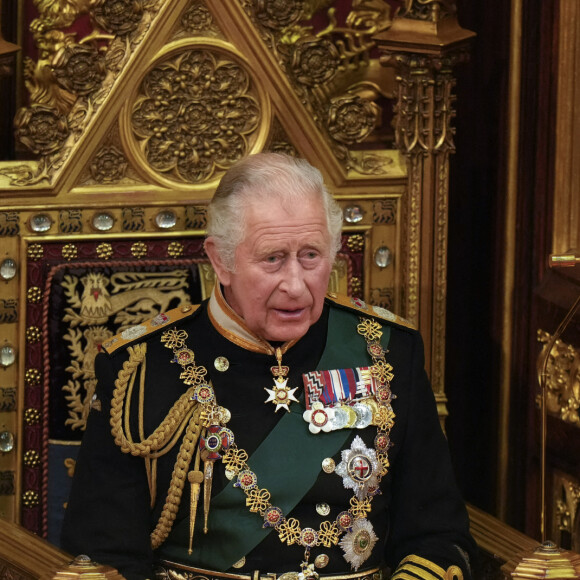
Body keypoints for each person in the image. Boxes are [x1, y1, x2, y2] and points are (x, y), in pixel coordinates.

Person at [61, 152, 476, 580]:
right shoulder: (141, 367)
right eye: (273, 258)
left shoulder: (387, 351)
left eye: (311, 256)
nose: (296, 285)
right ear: (221, 260)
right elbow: (105, 555)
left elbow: (438, 535)